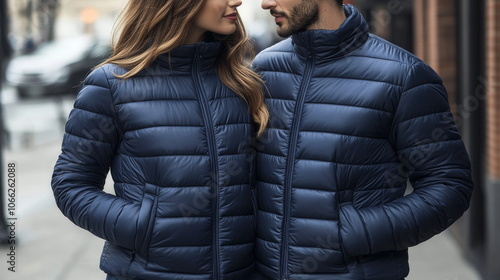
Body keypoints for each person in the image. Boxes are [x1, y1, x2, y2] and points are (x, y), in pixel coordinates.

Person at [251, 1, 474, 279]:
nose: (266, 3)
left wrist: (353, 231)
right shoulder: (264, 69)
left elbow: (449, 186)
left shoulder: (403, 75)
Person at [51, 0, 269, 279]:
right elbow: (70, 184)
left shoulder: (242, 82)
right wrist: (144, 227)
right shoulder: (113, 83)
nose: (237, 1)